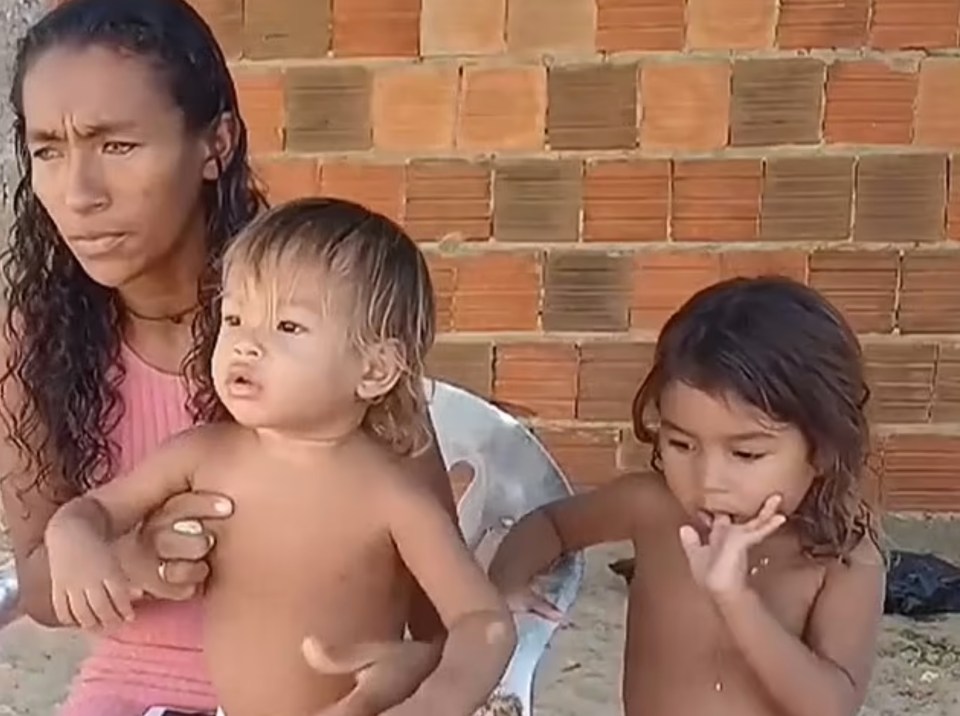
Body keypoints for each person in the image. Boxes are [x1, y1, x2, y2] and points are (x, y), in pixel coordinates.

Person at [0, 1, 458, 713]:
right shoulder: (29, 343)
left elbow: (438, 608)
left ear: (215, 144)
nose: (77, 194)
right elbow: (37, 578)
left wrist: (414, 666)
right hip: (131, 689)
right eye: (48, 151)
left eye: (116, 146)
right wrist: (124, 560)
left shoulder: (313, 317)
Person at [44, 197, 516, 716]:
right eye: (235, 317)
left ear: (375, 370)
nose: (245, 344)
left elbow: (481, 620)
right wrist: (74, 537)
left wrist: (434, 703)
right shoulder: (203, 456)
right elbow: (94, 511)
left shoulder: (390, 495)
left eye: (287, 326)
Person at [488, 277, 886, 716]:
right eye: (681, 445)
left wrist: (735, 601)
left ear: (825, 448)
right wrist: (506, 583)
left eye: (745, 453)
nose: (708, 479)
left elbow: (830, 707)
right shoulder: (653, 507)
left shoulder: (843, 560)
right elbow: (551, 525)